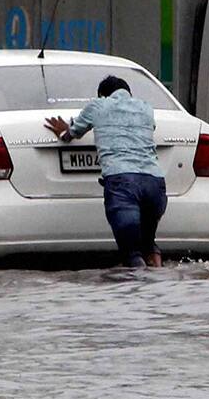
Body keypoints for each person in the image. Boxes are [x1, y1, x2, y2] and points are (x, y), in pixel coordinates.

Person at [44, 76, 166, 268]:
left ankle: (141, 296)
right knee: (148, 245)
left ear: (102, 95)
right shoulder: (146, 108)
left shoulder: (98, 106)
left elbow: (71, 134)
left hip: (122, 183)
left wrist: (63, 131)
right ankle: (163, 286)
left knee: (132, 256)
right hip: (155, 185)